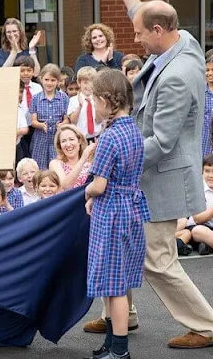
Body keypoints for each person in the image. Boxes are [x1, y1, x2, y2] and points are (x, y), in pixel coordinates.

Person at [103, 0, 213, 348]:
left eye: (140, 35)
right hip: (152, 175)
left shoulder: (177, 77)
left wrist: (117, 158)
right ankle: (121, 314)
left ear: (159, 32)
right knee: (126, 244)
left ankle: (208, 327)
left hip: (161, 179)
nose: (136, 40)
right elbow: (146, 14)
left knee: (157, 258)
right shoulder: (182, 38)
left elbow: (162, 142)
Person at [83, 69, 147, 359]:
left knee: (115, 287)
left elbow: (99, 184)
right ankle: (110, 344)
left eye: (95, 100)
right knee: (113, 284)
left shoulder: (109, 137)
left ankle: (119, 350)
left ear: (108, 101)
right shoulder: (133, 130)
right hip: (130, 209)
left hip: (112, 214)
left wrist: (86, 194)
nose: (93, 106)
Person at [30, 64, 70, 170]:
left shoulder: (64, 98)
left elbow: (66, 118)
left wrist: (62, 124)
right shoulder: (35, 98)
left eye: (53, 80)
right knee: (40, 168)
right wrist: (40, 125)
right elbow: (33, 121)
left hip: (57, 137)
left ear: (58, 81)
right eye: (46, 79)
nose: (49, 83)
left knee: (58, 166)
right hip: (41, 137)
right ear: (41, 79)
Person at [49, 124, 96, 190]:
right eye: (63, 141)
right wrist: (83, 158)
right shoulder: (55, 163)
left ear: (79, 141)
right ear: (60, 145)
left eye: (71, 139)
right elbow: (65, 186)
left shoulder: (91, 163)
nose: (68, 144)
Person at [67, 66, 104, 143]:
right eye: (85, 82)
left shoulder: (98, 99)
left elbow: (99, 120)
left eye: (92, 82)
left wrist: (96, 104)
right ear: (79, 83)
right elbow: (73, 121)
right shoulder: (73, 100)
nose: (89, 86)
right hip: (80, 139)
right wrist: (80, 106)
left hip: (96, 138)